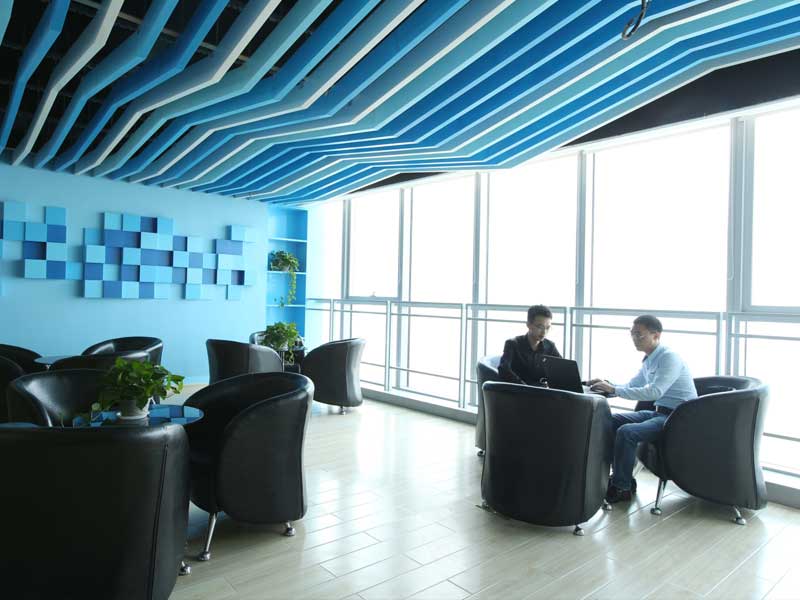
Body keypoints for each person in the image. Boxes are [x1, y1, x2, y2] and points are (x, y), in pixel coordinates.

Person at [589, 315, 697, 503]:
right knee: (610, 420)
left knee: (627, 432)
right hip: (659, 413)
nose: (634, 338)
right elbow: (632, 385)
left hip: (678, 419)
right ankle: (623, 479)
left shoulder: (669, 357)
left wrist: (613, 390)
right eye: (632, 334)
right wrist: (606, 384)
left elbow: (655, 391)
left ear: (656, 335)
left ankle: (621, 488)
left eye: (639, 334)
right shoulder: (649, 359)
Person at [498, 305, 562, 386]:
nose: (544, 332)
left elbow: (562, 369)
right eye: (540, 327)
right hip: (518, 391)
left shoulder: (550, 346)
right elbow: (504, 370)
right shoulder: (513, 344)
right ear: (528, 324)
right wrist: (525, 387)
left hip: (542, 391)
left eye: (547, 328)